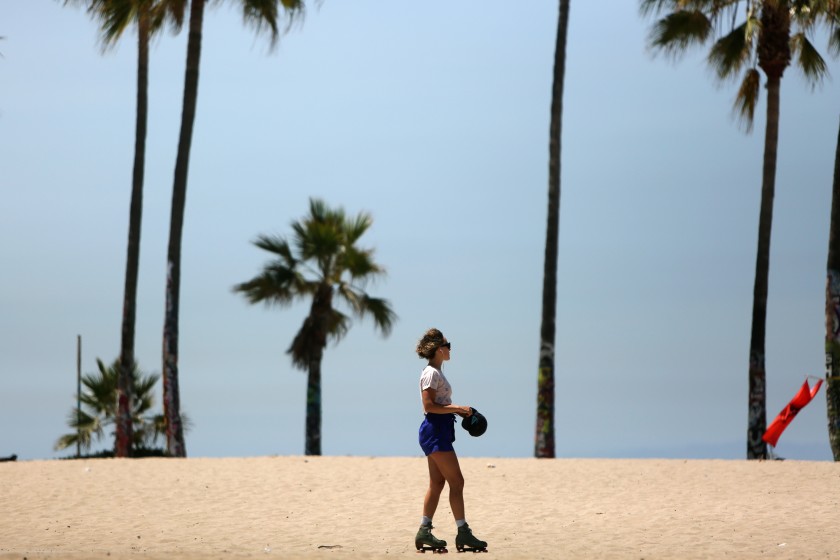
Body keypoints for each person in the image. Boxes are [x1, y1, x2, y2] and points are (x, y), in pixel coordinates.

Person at [414, 328, 488, 553]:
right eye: (448, 345)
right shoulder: (431, 373)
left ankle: (424, 531)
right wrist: (458, 408)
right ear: (439, 349)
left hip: (439, 430)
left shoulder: (437, 371)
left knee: (437, 483)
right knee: (457, 482)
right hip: (435, 431)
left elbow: (439, 406)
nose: (450, 349)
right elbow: (429, 406)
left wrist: (459, 412)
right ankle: (463, 532)